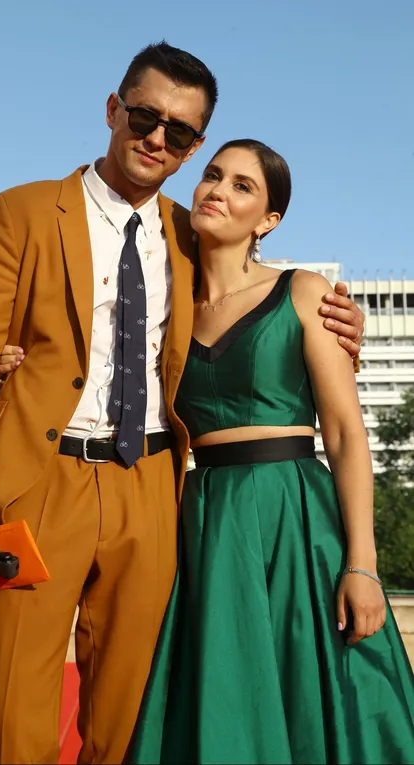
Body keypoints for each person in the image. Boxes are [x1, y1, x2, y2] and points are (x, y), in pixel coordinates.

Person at [0, 42, 364, 765]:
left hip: (154, 489)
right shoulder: (20, 212)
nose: (158, 138)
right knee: (18, 714)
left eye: (180, 132)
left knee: (132, 724)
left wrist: (346, 326)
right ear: (113, 109)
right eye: (144, 116)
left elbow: (257, 307)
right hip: (36, 484)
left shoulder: (195, 233)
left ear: (192, 147)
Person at [127, 140, 414, 764]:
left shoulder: (304, 290)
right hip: (205, 520)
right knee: (225, 694)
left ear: (268, 220)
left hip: (295, 512)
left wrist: (363, 565)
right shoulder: (165, 310)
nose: (218, 191)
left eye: (242, 186)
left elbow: (345, 433)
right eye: (213, 175)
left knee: (313, 690)